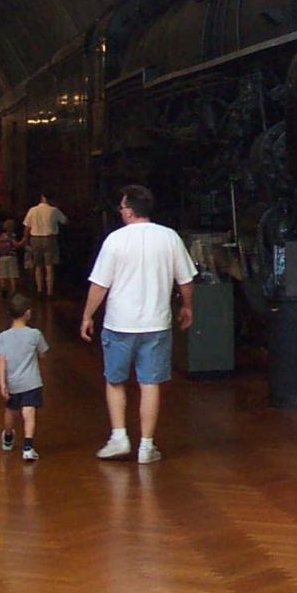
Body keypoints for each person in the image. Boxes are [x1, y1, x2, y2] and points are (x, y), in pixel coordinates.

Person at [80, 185, 195, 464]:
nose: (121, 211)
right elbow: (186, 280)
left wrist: (87, 315)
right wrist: (187, 306)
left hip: (120, 323)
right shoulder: (169, 238)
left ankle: (119, 437)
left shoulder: (115, 240)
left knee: (115, 381)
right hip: (157, 323)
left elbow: (100, 285)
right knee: (150, 383)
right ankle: (146, 446)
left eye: (121, 207)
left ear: (129, 210)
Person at [0, 294, 48, 461]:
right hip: (31, 382)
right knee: (29, 411)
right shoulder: (35, 334)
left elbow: (1, 360)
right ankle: (28, 447)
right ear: (28, 313)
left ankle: (8, 437)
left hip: (13, 383)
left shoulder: (3, 337)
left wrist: (2, 382)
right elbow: (43, 353)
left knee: (11, 411)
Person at [22, 192, 68, 297]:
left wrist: (25, 239)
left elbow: (27, 227)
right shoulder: (54, 210)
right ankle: (49, 292)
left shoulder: (32, 210)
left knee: (38, 265)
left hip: (35, 239)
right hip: (49, 239)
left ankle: (39, 289)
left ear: (42, 198)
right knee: (49, 267)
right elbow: (65, 221)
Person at [0, 219, 24, 299]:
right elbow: (15, 244)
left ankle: (3, 288)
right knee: (12, 274)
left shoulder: (2, 236)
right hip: (11, 257)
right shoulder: (12, 236)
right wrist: (22, 242)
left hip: (2, 257)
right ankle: (13, 291)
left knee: (2, 274)